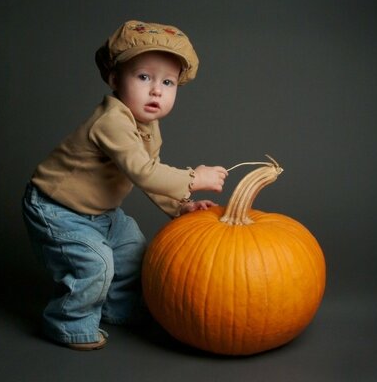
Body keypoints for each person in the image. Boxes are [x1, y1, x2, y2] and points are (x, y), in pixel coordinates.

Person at [22, 20, 228, 350]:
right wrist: (194, 178)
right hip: (57, 209)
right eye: (144, 77)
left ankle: (118, 308)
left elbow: (150, 173)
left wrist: (180, 206)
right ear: (115, 79)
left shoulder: (148, 125)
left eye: (168, 82)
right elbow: (144, 172)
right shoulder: (111, 121)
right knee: (95, 263)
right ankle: (68, 322)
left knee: (133, 252)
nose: (157, 90)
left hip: (101, 212)